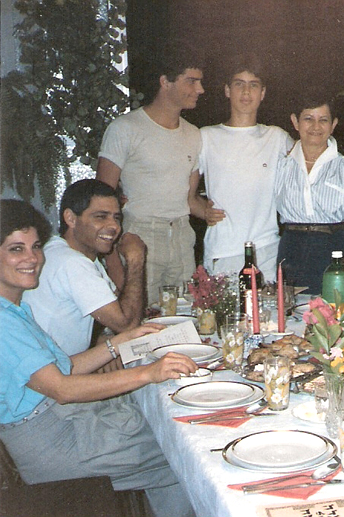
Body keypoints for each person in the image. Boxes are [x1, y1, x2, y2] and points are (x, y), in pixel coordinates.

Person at [0, 199, 197, 517]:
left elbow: (64, 369)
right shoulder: (3, 321)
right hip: (54, 445)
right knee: (185, 447)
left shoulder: (13, 308)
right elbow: (62, 388)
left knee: (172, 428)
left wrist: (119, 342)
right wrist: (148, 373)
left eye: (35, 247)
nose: (32, 258)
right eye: (16, 249)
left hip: (61, 422)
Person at [96, 49, 218, 304]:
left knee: (185, 318)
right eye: (191, 81)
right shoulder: (125, 129)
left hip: (182, 238)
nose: (200, 89)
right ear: (165, 82)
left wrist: (215, 212)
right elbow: (100, 203)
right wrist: (117, 273)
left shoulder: (193, 134)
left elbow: (190, 200)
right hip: (140, 236)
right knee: (141, 320)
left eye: (200, 82)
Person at [23, 179, 145, 357]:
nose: (114, 226)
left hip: (66, 362)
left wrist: (102, 346)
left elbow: (119, 305)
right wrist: (135, 259)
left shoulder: (72, 253)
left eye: (116, 218)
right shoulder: (71, 262)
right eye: (101, 217)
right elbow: (127, 325)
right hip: (53, 370)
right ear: (71, 218)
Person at [198, 56, 294, 280]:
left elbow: (312, 162)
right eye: (239, 84)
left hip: (266, 250)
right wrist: (202, 210)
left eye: (253, 85)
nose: (246, 92)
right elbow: (184, 190)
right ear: (227, 90)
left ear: (263, 93)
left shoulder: (277, 137)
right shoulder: (206, 136)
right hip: (223, 251)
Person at [275, 96, 344, 294]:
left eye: (323, 120)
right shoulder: (281, 165)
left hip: (334, 248)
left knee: (333, 309)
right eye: (308, 119)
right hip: (291, 248)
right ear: (295, 122)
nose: (316, 126)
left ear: (333, 125)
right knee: (290, 308)